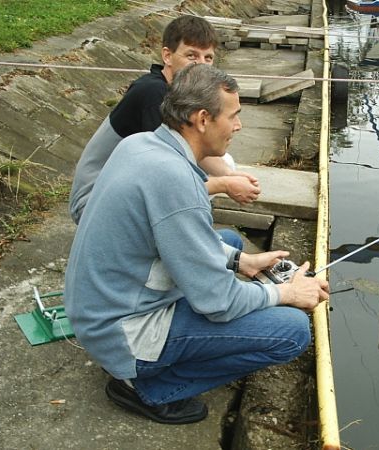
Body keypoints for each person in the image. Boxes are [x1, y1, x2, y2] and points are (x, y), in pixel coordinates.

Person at [64, 64, 330, 424]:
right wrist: (287, 295)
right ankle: (147, 388)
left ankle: (147, 362)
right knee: (291, 332)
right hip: (122, 335)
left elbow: (172, 236)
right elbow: (217, 302)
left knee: (230, 243)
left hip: (97, 312)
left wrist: (242, 262)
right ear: (203, 119)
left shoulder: (139, 144)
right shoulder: (176, 181)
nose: (238, 126)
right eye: (234, 116)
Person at [68, 15, 260, 224]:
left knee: (225, 162)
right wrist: (225, 184)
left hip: (126, 186)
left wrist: (231, 175)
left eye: (208, 58)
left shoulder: (182, 91)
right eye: (191, 56)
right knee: (196, 180)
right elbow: (168, 176)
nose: (202, 65)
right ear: (167, 56)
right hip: (93, 201)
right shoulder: (154, 93)